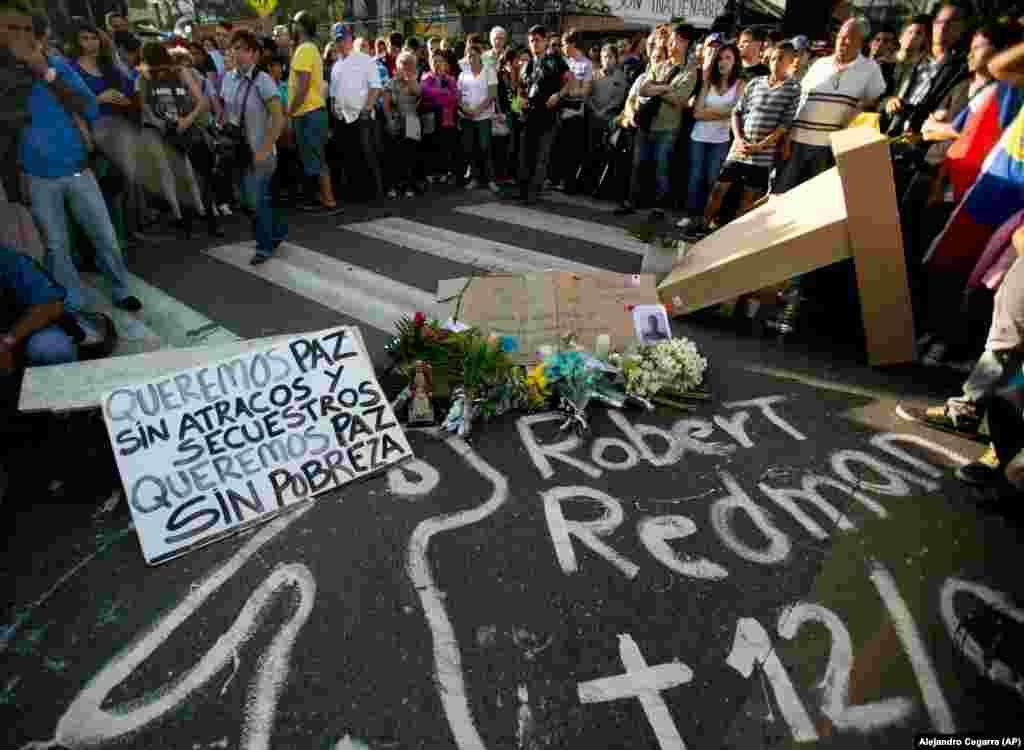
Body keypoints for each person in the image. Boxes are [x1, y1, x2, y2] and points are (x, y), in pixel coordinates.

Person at [16, 18, 141, 330]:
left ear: (43, 39)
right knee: (56, 246)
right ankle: (73, 301)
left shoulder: (60, 67)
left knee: (105, 235)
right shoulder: (7, 77)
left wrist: (47, 74)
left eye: (29, 33)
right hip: (37, 175)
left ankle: (121, 288)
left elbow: (89, 105)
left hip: (77, 169)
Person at [773, 18, 887, 195]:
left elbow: (875, 104)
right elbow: (801, 100)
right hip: (797, 142)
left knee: (813, 199)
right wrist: (788, 136)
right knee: (781, 193)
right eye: (841, 36)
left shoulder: (870, 69)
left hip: (829, 147)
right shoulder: (820, 63)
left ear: (861, 41)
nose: (842, 41)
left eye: (849, 37)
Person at [697, 43, 799, 237]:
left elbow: (784, 125)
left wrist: (760, 146)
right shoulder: (755, 83)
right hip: (739, 148)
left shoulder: (793, 88)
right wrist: (738, 138)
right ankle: (702, 227)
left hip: (762, 154)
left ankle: (733, 238)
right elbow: (737, 112)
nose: (776, 63)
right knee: (719, 189)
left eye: (781, 59)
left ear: (790, 62)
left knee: (747, 199)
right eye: (774, 58)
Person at [616, 24, 697, 221]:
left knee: (662, 167)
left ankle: (659, 207)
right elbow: (643, 89)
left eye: (675, 39)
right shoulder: (659, 65)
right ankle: (632, 201)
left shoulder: (691, 71)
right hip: (646, 124)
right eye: (669, 40)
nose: (670, 43)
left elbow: (680, 99)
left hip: (668, 127)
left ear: (685, 42)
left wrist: (659, 88)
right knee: (638, 165)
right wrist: (668, 88)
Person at [222, 30, 286, 266]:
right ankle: (277, 231)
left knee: (257, 199)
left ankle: (264, 246)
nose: (236, 53)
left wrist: (265, 149)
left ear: (254, 54)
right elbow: (227, 111)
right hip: (238, 149)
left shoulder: (263, 80)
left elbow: (279, 118)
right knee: (251, 200)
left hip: (261, 151)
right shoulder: (228, 79)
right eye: (234, 48)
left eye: (242, 48)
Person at [137, 41, 211, 236]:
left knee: (183, 169)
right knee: (166, 169)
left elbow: (201, 100)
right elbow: (144, 103)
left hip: (177, 125)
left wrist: (187, 120)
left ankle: (198, 210)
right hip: (155, 127)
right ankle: (181, 213)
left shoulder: (179, 72)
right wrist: (158, 122)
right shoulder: (144, 75)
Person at [679, 43, 743, 233]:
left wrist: (712, 111)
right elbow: (697, 113)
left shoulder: (740, 84)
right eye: (720, 58)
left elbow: (736, 111)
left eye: (728, 58)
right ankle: (690, 215)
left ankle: (707, 217)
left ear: (735, 62)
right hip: (699, 136)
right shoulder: (708, 82)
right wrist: (723, 112)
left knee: (713, 179)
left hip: (721, 139)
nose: (723, 62)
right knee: (695, 176)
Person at [883, 3, 968, 137]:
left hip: (920, 141)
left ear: (961, 28)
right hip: (889, 131)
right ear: (933, 24)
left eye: (952, 23)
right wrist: (889, 102)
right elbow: (881, 98)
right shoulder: (910, 62)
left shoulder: (961, 69)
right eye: (940, 21)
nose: (944, 27)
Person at [287, 11, 336, 213]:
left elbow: (303, 85)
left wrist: (290, 111)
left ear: (301, 27)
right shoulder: (308, 48)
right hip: (312, 112)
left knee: (316, 157)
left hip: (308, 112)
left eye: (294, 24)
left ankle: (329, 200)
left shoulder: (304, 49)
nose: (291, 27)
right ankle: (322, 199)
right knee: (315, 157)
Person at [329, 23, 384, 200]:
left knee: (367, 155)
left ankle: (376, 194)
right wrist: (334, 110)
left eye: (343, 39)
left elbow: (375, 87)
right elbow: (333, 94)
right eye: (338, 40)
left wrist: (367, 110)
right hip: (342, 118)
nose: (341, 43)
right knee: (349, 157)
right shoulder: (336, 66)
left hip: (362, 116)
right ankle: (356, 193)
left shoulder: (364, 59)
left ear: (351, 39)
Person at [517, 24, 570, 205]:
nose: (534, 44)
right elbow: (521, 88)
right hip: (529, 115)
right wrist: (520, 99)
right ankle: (524, 190)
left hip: (548, 115)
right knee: (526, 155)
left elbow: (569, 81)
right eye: (531, 41)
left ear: (545, 41)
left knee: (541, 156)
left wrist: (558, 95)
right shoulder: (528, 63)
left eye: (538, 40)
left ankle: (534, 192)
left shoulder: (555, 59)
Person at [552, 28, 593, 194]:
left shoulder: (587, 64)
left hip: (575, 113)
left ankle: (568, 183)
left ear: (572, 44)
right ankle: (554, 179)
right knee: (557, 148)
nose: (562, 47)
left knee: (571, 150)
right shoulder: (563, 62)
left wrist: (571, 91)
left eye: (563, 44)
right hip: (559, 111)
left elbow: (585, 90)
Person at [458, 45, 497, 191]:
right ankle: (474, 178)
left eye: (473, 55)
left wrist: (478, 110)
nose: (470, 58)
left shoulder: (489, 71)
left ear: (480, 56)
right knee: (470, 148)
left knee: (485, 148)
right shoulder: (463, 74)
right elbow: (458, 97)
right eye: (468, 55)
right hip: (467, 117)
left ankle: (491, 180)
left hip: (484, 117)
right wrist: (466, 109)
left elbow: (492, 94)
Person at [383, 50, 422, 198]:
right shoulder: (390, 83)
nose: (406, 66)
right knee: (394, 155)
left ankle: (409, 186)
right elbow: (386, 105)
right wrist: (389, 121)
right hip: (396, 120)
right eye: (403, 63)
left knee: (411, 155)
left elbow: (418, 92)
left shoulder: (414, 80)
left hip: (412, 121)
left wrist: (409, 79)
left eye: (409, 64)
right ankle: (393, 186)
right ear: (397, 65)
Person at [421, 49, 458, 183]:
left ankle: (443, 171)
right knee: (430, 144)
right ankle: (431, 172)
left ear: (444, 64)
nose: (437, 64)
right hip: (431, 117)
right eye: (434, 61)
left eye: (439, 61)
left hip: (446, 118)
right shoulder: (426, 77)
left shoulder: (450, 79)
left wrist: (439, 97)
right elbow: (426, 92)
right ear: (430, 63)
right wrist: (444, 94)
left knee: (445, 144)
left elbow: (454, 98)